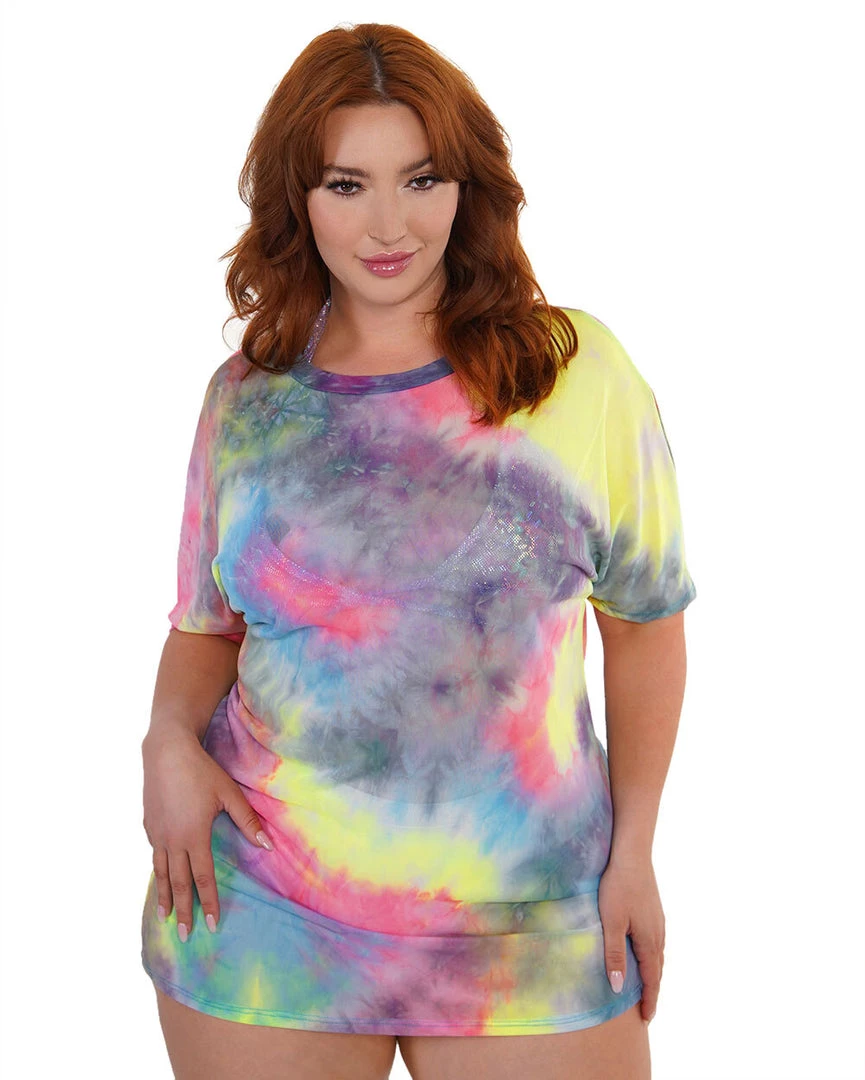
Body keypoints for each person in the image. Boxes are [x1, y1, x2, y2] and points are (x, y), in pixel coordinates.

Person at [140, 21, 696, 1080]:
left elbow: (646, 626)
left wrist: (635, 852)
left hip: (532, 916)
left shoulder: (575, 374)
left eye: (422, 178)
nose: (388, 225)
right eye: (346, 185)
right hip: (265, 909)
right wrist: (165, 741)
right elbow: (208, 628)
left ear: (466, 186)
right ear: (298, 199)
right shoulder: (248, 400)